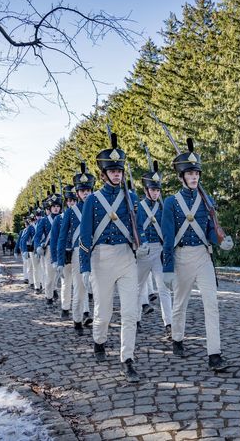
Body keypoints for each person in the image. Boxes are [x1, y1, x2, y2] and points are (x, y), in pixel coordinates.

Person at [162, 138, 234, 371]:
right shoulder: (171, 203)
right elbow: (168, 238)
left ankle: (214, 353)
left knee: (211, 304)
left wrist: (220, 240)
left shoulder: (206, 200)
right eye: (190, 174)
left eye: (196, 174)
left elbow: (211, 229)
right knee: (180, 303)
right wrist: (167, 268)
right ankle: (177, 338)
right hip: (181, 257)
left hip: (203, 256)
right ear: (181, 177)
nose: (194, 177)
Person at [79, 133, 146, 383]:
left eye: (119, 170)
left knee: (130, 312)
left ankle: (127, 358)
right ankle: (99, 341)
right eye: (112, 170)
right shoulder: (93, 200)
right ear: (104, 174)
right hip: (101, 258)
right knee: (103, 311)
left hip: (126, 256)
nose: (116, 174)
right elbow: (85, 236)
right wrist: (85, 267)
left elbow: (138, 228)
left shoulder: (132, 197)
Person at [136, 160, 173, 338]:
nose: (156, 193)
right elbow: (137, 226)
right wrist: (141, 243)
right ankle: (135, 320)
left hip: (158, 250)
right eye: (153, 190)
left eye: (158, 190)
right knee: (137, 287)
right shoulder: (139, 207)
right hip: (143, 251)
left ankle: (169, 324)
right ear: (146, 190)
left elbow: (167, 229)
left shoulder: (163, 206)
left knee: (164, 287)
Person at [58, 164, 95, 336]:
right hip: (77, 253)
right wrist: (59, 260)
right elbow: (62, 236)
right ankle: (77, 319)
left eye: (88, 190)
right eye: (82, 191)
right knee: (80, 288)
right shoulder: (71, 212)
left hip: (98, 251)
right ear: (78, 193)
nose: (86, 193)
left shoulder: (98, 206)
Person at [51, 185, 78, 320]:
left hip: (79, 253)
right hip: (66, 254)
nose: (71, 203)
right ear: (66, 203)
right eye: (69, 201)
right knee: (66, 283)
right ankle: (65, 308)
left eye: (73, 200)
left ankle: (83, 312)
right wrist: (56, 260)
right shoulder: (59, 219)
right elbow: (56, 240)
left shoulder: (83, 214)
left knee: (81, 285)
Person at [34, 188, 62, 306]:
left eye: (58, 206)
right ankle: (48, 296)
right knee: (50, 274)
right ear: (50, 208)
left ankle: (54, 288)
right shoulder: (44, 221)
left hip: (61, 248)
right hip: (49, 249)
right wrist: (37, 247)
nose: (56, 208)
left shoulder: (63, 217)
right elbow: (37, 236)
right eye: (54, 206)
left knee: (59, 274)